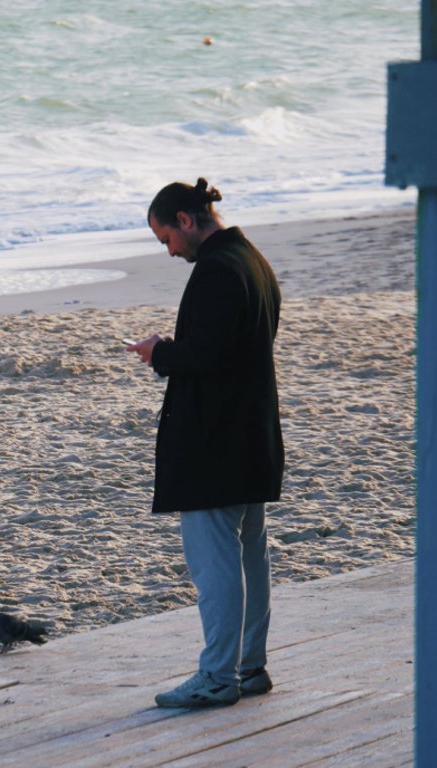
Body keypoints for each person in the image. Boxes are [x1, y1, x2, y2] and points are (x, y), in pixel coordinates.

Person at [125, 177, 284, 708]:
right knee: (249, 556)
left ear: (186, 221)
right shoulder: (253, 262)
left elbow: (209, 356)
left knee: (217, 564)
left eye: (165, 237)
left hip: (216, 442)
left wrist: (160, 353)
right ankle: (247, 665)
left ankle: (219, 676)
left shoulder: (218, 270)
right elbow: (235, 350)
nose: (168, 250)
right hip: (250, 434)